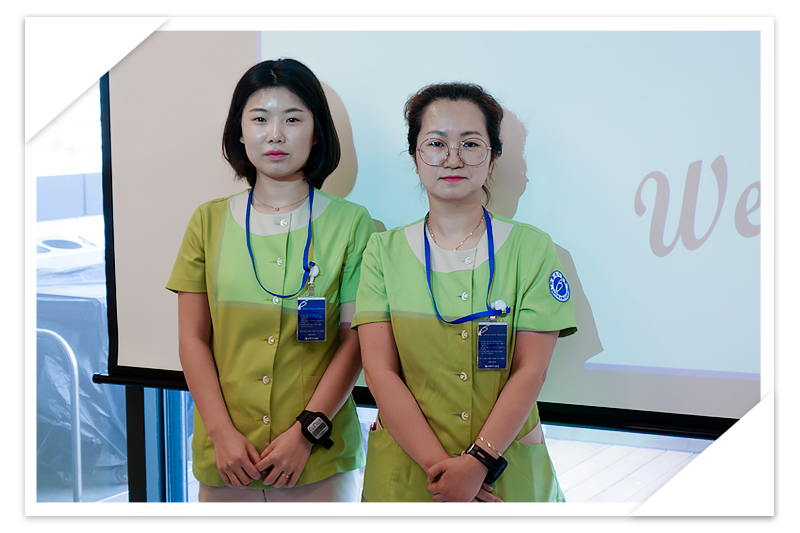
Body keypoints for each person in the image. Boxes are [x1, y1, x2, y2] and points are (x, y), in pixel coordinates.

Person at [353, 82, 577, 502]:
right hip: (410, 472)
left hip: (505, 471)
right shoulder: (382, 251)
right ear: (415, 157)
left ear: (492, 158)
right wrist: (444, 472)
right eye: (436, 143)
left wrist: (478, 462)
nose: (453, 158)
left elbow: (531, 370)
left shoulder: (532, 248)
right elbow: (380, 372)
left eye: (470, 144)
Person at [166, 58, 375, 502]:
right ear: (239, 132)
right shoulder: (207, 221)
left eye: (293, 119)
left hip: (318, 461)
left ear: (316, 132)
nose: (275, 134)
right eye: (259, 119)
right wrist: (221, 435)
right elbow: (192, 339)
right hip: (228, 462)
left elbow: (354, 341)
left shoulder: (353, 224)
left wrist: (306, 433)